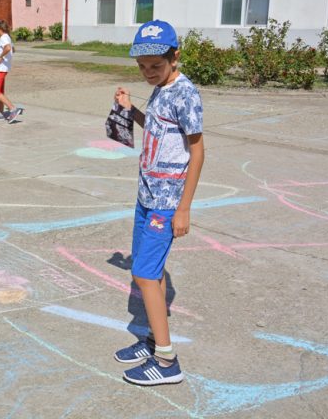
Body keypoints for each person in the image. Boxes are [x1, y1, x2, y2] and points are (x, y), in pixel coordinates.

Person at [113, 20, 204, 386]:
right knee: (149, 271)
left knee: (145, 275)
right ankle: (152, 340)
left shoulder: (185, 93)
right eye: (142, 67)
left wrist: (184, 208)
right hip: (146, 195)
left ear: (175, 57)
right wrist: (130, 109)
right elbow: (154, 125)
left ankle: (167, 362)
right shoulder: (161, 90)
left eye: (155, 66)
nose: (148, 73)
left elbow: (197, 151)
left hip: (167, 201)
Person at [0, 20, 23, 124]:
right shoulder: (6, 37)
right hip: (1, 68)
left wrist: (0, 57)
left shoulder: (4, 37)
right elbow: (13, 49)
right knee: (0, 91)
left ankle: (13, 109)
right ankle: (1, 113)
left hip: (1, 69)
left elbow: (8, 48)